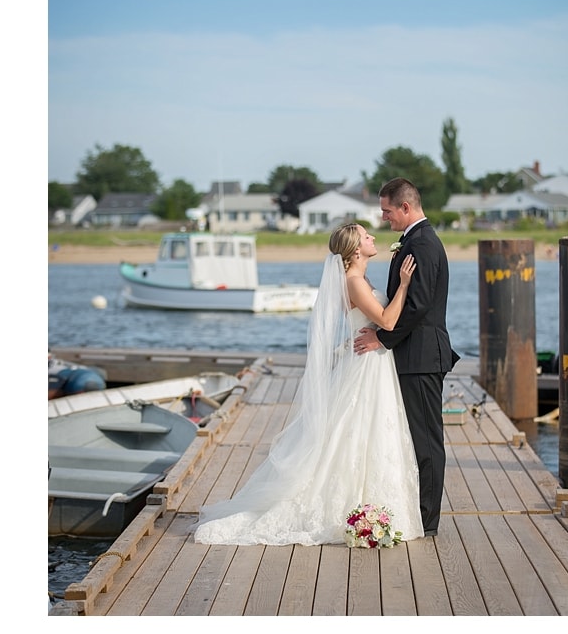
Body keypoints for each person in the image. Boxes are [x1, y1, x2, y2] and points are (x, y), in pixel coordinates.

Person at [194, 222, 423, 546]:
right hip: (367, 365)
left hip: (372, 361)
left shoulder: (360, 278)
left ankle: (372, 503)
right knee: (355, 431)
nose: (373, 237)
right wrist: (403, 286)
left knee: (367, 432)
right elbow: (386, 321)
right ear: (356, 249)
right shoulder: (354, 282)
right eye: (366, 235)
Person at [354, 177, 460, 537]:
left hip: (422, 357)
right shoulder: (414, 240)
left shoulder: (424, 244)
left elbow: (417, 307)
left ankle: (427, 522)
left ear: (405, 207)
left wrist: (382, 338)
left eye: (386, 210)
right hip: (412, 355)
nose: (384, 218)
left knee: (427, 441)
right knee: (414, 438)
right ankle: (414, 512)